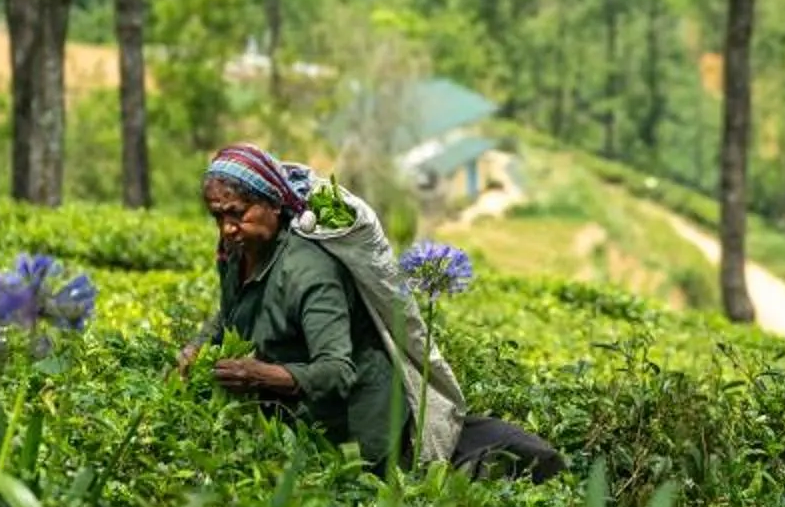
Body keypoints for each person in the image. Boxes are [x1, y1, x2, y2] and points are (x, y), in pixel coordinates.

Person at [185, 145, 565, 482]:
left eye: (237, 213)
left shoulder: (308, 272)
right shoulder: (238, 251)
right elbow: (231, 308)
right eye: (217, 216)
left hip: (360, 433)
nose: (227, 228)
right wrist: (198, 346)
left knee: (453, 469)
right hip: (299, 422)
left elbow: (336, 371)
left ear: (272, 203)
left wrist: (259, 375)